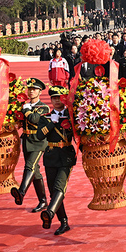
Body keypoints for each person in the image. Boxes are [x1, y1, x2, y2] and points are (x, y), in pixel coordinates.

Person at [39, 86, 77, 235]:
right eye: (53, 98)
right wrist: (51, 123)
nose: (56, 100)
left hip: (66, 156)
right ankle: (64, 222)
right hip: (50, 157)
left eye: (59, 98)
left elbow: (78, 135)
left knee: (59, 188)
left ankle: (49, 213)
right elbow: (39, 136)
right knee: (52, 192)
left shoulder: (71, 116)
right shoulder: (46, 117)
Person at [10, 78, 50, 212]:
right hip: (27, 140)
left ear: (40, 91)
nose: (31, 91)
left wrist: (26, 111)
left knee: (29, 166)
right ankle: (43, 201)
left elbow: (34, 119)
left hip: (39, 141)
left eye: (34, 89)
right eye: (30, 89)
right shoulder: (24, 105)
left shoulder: (43, 107)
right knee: (35, 172)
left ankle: (21, 193)